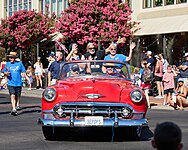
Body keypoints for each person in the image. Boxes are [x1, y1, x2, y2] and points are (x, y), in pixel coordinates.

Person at [3, 52, 26, 116]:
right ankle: (13, 109)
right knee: (12, 95)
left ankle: (16, 105)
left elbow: (23, 71)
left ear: (14, 58)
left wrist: (24, 74)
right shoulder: (7, 64)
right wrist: (5, 73)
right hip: (10, 83)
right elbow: (4, 71)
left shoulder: (20, 64)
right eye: (10, 57)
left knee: (17, 96)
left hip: (18, 83)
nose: (10, 59)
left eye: (12, 57)